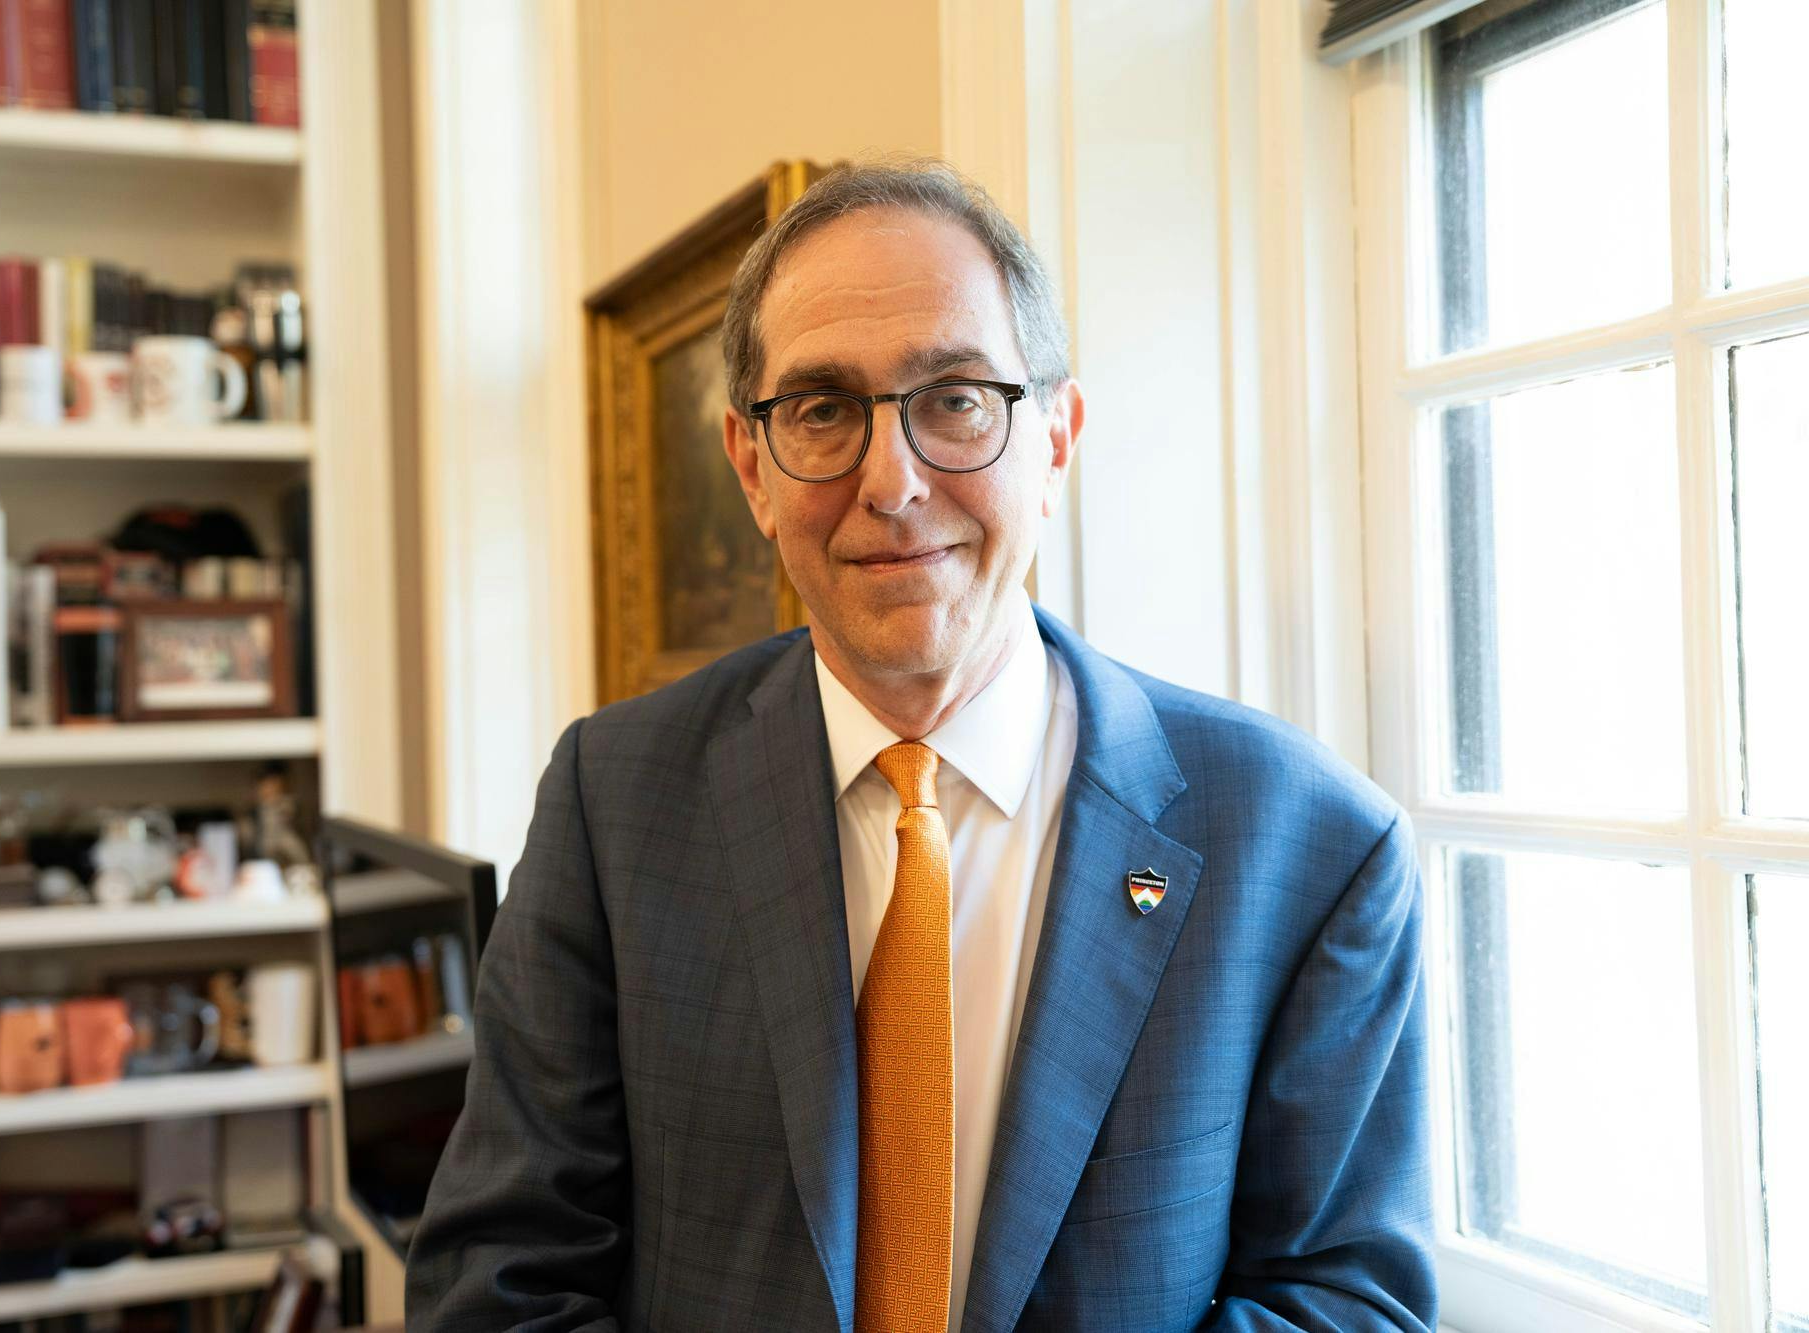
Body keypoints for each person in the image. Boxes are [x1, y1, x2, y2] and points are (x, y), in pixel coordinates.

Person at [405, 157, 1435, 1332]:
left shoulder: (1310, 847)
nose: (890, 481)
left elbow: (1345, 1305)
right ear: (751, 467)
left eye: (954, 398)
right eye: (820, 409)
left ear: (1055, 437)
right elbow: (498, 1284)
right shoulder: (612, 799)